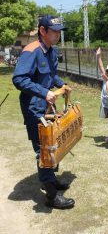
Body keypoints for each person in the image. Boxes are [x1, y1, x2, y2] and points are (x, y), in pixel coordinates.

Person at [12, 15, 74, 209]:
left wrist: (61, 84)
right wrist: (44, 92)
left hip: (48, 107)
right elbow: (19, 79)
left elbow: (51, 75)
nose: (57, 35)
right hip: (34, 108)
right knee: (44, 149)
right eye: (54, 31)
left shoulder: (51, 52)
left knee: (53, 144)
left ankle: (51, 180)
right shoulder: (31, 51)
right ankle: (52, 196)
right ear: (42, 31)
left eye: (59, 31)